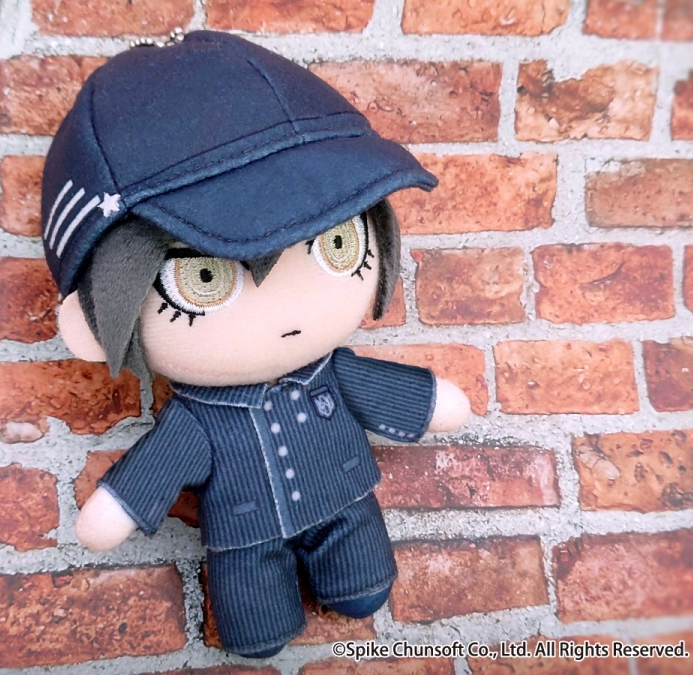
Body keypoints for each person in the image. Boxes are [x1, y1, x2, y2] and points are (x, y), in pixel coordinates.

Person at [40, 30, 471, 658]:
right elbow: (151, 474)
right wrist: (118, 507)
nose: (287, 311)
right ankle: (263, 625)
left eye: (337, 243)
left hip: (345, 502)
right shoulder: (197, 422)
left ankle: (351, 581)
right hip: (246, 539)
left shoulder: (334, 373)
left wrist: (431, 401)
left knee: (363, 586)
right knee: (256, 629)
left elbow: (408, 398)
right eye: (202, 277)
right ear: (93, 321)